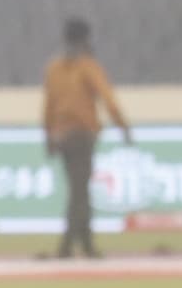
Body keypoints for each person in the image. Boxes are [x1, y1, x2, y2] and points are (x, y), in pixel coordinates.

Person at [41, 17, 131, 262]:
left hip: (60, 135)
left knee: (77, 189)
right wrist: (123, 126)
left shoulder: (54, 68)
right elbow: (107, 98)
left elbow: (48, 106)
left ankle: (81, 243)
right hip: (81, 134)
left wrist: (48, 136)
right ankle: (72, 245)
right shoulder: (87, 66)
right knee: (80, 191)